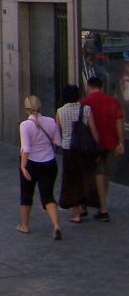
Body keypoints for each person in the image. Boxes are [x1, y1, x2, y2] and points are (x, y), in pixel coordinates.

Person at [18, 95, 63, 240]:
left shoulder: (25, 125)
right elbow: (57, 142)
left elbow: (26, 148)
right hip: (49, 161)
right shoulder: (50, 121)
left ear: (26, 109)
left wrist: (23, 166)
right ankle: (56, 225)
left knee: (26, 193)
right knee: (48, 195)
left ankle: (24, 225)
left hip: (31, 162)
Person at [81, 76, 125, 222]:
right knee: (105, 173)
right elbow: (119, 123)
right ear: (102, 87)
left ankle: (103, 208)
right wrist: (120, 142)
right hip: (111, 143)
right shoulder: (113, 102)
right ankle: (101, 203)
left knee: (98, 174)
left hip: (94, 145)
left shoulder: (85, 103)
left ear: (89, 87)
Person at [55, 84, 100, 223]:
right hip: (85, 149)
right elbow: (93, 130)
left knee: (71, 180)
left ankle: (76, 213)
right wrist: (97, 148)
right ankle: (84, 206)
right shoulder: (86, 109)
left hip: (69, 149)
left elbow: (58, 133)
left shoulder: (60, 112)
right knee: (85, 177)